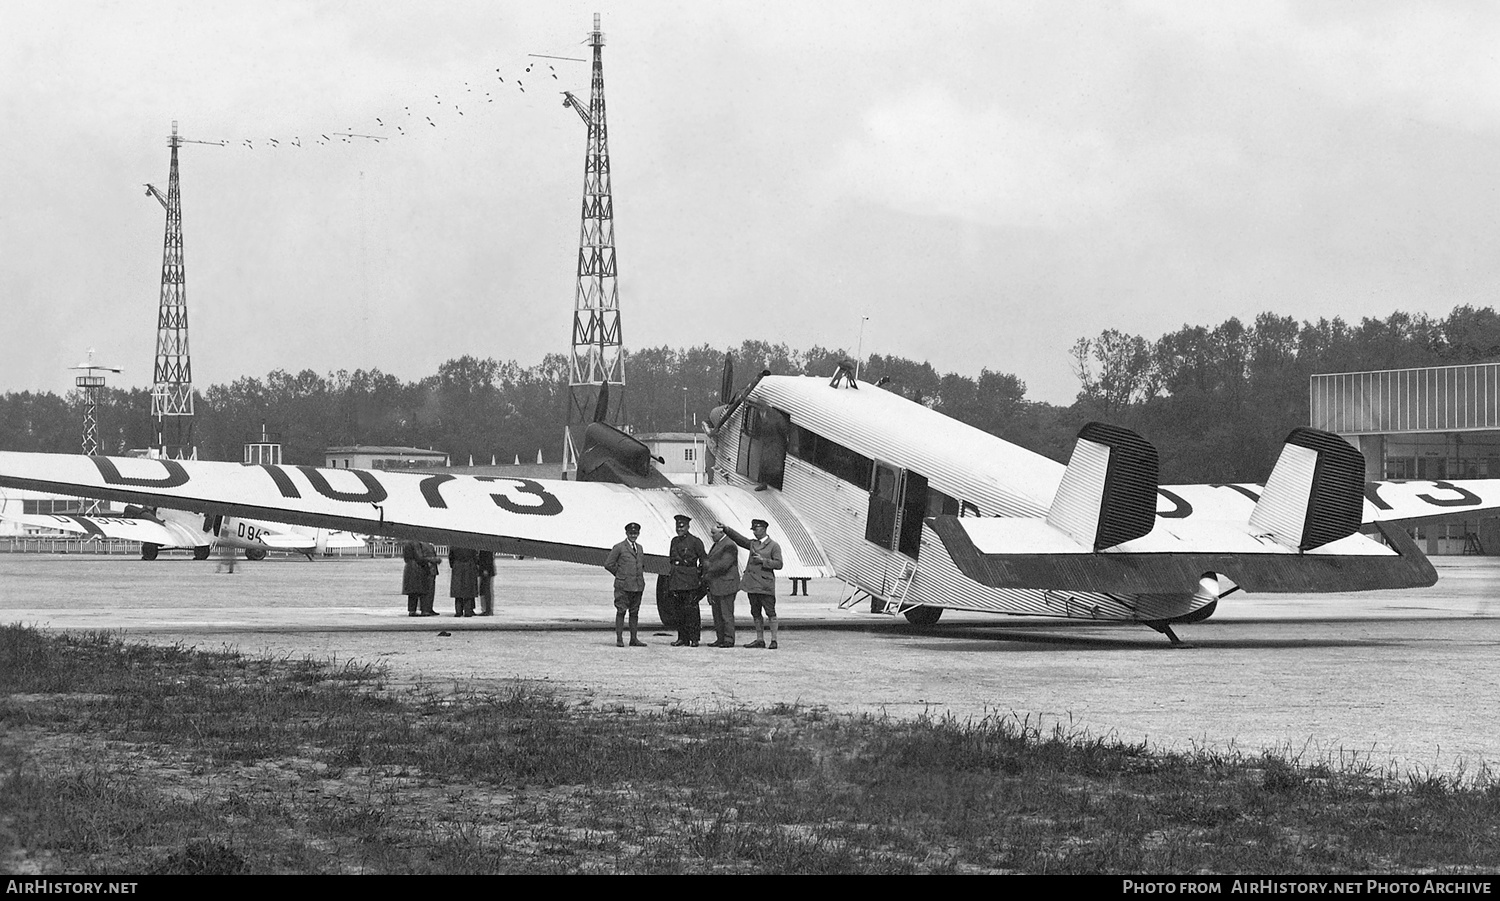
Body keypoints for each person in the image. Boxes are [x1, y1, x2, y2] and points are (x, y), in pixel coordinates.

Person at [724, 518, 784, 649]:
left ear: (764, 529)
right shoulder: (753, 544)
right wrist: (727, 529)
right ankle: (760, 639)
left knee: (770, 612)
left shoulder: (774, 546)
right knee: (755, 612)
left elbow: (779, 564)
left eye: (756, 529)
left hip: (765, 585)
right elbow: (740, 540)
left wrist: (763, 560)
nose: (754, 532)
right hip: (752, 585)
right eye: (753, 530)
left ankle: (774, 640)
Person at [603, 521, 647, 647]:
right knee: (621, 611)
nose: (633, 535)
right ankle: (619, 639)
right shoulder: (619, 547)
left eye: (636, 533)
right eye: (631, 533)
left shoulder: (640, 548)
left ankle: (634, 639)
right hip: (623, 586)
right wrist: (620, 575)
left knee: (634, 612)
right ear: (626, 533)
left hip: (637, 585)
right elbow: (608, 564)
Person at [666, 513, 707, 647]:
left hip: (690, 581)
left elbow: (703, 561)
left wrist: (700, 577)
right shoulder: (674, 541)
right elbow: (672, 560)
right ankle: (682, 637)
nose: (679, 529)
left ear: (688, 526)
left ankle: (694, 638)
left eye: (682, 526)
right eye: (678, 527)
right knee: (679, 611)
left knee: (692, 611)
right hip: (677, 580)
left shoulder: (695, 541)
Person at [704, 522, 741, 647]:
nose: (711, 535)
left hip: (726, 585)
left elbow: (724, 564)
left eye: (713, 533)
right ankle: (720, 638)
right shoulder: (718, 544)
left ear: (721, 533)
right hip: (716, 585)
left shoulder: (729, 545)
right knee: (718, 614)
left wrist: (708, 568)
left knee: (726, 614)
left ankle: (729, 640)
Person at [402, 539, 440, 616]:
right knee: (422, 589)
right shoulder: (415, 543)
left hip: (410, 568)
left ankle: (412, 610)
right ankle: (424, 610)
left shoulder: (408, 542)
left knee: (413, 591)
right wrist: (433, 559)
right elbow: (419, 557)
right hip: (417, 568)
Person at [449, 545, 481, 617]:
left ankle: (458, 611)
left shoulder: (454, 545)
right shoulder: (471, 545)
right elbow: (475, 557)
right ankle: (468, 611)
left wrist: (453, 565)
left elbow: (451, 557)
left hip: (457, 567)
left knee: (458, 592)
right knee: (468, 591)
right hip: (469, 567)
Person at [477, 549, 496, 615]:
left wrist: (485, 569)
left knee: (486, 590)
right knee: (484, 590)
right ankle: (486, 609)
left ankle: (488, 610)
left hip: (486, 570)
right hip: (485, 570)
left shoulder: (486, 547)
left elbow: (487, 558)